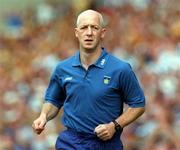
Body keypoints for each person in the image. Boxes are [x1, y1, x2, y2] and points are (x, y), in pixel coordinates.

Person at [32, 9, 145, 150]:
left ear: (102, 33)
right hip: (70, 142)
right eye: (84, 27)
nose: (89, 33)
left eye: (94, 27)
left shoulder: (120, 69)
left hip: (105, 144)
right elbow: (53, 101)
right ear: (76, 33)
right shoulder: (62, 68)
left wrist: (114, 126)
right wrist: (43, 116)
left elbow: (138, 104)